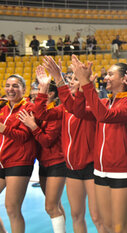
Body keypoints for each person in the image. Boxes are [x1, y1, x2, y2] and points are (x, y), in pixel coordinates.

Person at [33, 57, 106, 233]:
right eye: (70, 78)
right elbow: (40, 113)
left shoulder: (95, 105)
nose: (72, 81)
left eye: (75, 78)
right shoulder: (63, 108)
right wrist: (43, 89)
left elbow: (78, 109)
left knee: (97, 217)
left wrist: (60, 80)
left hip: (91, 167)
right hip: (71, 167)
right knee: (76, 215)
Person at [69, 54, 127, 233]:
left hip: (122, 171)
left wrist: (87, 84)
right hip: (100, 170)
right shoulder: (104, 102)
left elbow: (104, 116)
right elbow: (78, 111)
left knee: (119, 228)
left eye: (110, 74)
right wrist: (80, 86)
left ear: (124, 80)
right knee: (106, 225)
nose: (105, 77)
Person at [18, 76, 66, 233]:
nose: (34, 93)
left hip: (57, 163)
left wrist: (33, 126)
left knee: (51, 206)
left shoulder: (55, 113)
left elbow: (47, 141)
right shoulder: (40, 112)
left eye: (38, 90)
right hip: (45, 163)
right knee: (56, 205)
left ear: (50, 94)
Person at [0, 74, 37, 233]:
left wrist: (3, 129)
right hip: (2, 161)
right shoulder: (3, 107)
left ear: (24, 89)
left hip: (19, 161)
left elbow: (23, 137)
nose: (11, 89)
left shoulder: (28, 108)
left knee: (12, 208)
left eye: (15, 86)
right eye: (8, 85)